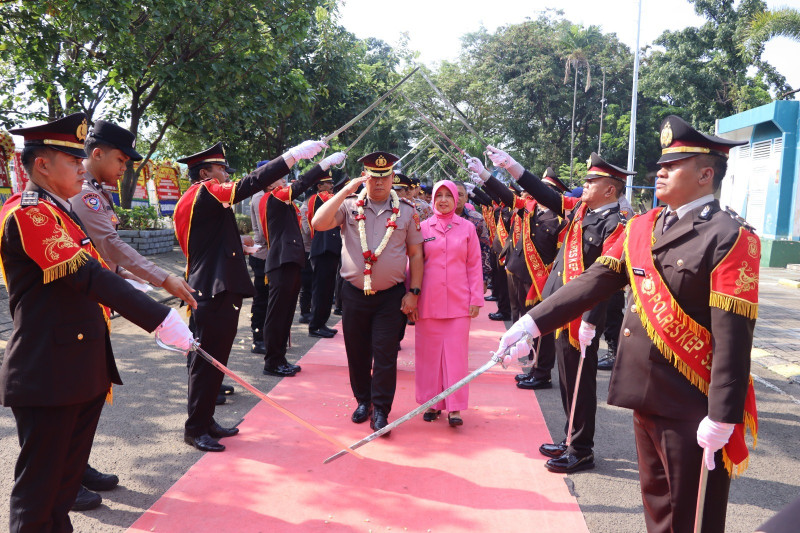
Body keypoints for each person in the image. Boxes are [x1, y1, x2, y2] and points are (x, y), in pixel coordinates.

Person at [496, 115, 756, 533]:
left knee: (692, 516)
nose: (661, 172)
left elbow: (733, 337)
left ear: (706, 174)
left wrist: (724, 415)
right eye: (661, 164)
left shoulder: (729, 236)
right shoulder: (644, 227)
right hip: (644, 392)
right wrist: (530, 324)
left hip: (692, 401)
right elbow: (594, 280)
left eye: (674, 165)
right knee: (657, 506)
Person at [1, 113, 193, 532]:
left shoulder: (62, 212)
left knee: (62, 489)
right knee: (38, 494)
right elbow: (85, 274)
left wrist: (134, 291)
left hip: (78, 368)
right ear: (42, 165)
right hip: (47, 371)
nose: (80, 167)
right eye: (72, 160)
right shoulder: (30, 213)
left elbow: (96, 271)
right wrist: (159, 316)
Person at [63, 119, 198, 509]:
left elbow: (105, 256)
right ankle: (64, 475)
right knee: (75, 393)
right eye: (121, 159)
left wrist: (133, 280)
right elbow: (110, 245)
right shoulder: (83, 196)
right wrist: (162, 279)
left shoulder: (94, 194)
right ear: (97, 153)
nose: (126, 167)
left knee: (90, 390)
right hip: (75, 307)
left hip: (94, 303)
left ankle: (76, 465)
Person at [482, 147, 632, 474]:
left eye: (591, 180)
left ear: (610, 189)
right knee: (567, 382)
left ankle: (581, 449)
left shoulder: (617, 225)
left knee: (580, 383)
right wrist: (512, 167)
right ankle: (569, 439)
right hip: (564, 312)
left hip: (583, 319)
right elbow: (542, 193)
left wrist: (591, 321)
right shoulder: (580, 208)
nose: (585, 184)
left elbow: (606, 279)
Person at [174, 138, 326, 452]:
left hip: (217, 287)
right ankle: (195, 428)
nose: (227, 175)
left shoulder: (203, 196)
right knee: (205, 364)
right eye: (220, 169)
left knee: (215, 362)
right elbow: (251, 183)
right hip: (212, 289)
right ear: (205, 173)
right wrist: (291, 157)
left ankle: (206, 420)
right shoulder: (204, 191)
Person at [311, 151, 423, 435]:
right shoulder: (350, 206)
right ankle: (363, 401)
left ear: (392, 177)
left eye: (385, 177)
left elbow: (416, 254)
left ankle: (382, 409)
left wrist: (414, 292)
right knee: (357, 354)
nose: (380, 183)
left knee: (385, 354)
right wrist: (346, 190)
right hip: (354, 294)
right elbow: (318, 223)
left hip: (390, 296)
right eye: (374, 177)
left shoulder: (407, 210)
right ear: (365, 178)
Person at [471, 165, 567, 390]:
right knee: (526, 325)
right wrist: (485, 177)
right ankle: (533, 367)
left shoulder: (560, 220)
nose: (534, 194)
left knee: (543, 330)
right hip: (521, 273)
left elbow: (560, 255)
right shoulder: (529, 209)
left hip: (541, 282)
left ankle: (543, 373)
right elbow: (505, 196)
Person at [258, 151, 346, 374]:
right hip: (282, 261)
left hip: (289, 259)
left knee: (286, 313)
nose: (284, 178)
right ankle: (272, 361)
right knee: (278, 314)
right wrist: (323, 164)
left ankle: (279, 358)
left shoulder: (278, 197)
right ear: (268, 183)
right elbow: (303, 182)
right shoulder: (275, 196)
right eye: (279, 176)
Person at [412, 180, 483, 426]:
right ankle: (431, 404)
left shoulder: (467, 228)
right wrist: (412, 298)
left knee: (456, 357)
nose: (443, 200)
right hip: (428, 303)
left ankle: (455, 408)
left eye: (448, 196)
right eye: (438, 195)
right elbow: (413, 265)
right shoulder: (421, 228)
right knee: (428, 357)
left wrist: (476, 298)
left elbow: (474, 265)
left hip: (459, 304)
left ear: (457, 200)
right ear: (432, 199)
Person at [306, 173, 342, 338]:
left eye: (331, 183)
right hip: (322, 247)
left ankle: (322, 322)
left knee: (327, 289)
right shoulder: (316, 198)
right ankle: (315, 325)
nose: (331, 186)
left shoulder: (330, 198)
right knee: (320, 290)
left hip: (331, 247)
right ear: (319, 186)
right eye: (327, 183)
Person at [248, 161, 271, 355]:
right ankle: (258, 338)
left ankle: (268, 335)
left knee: (271, 299)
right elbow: (265, 233)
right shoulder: (259, 197)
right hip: (264, 255)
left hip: (272, 254)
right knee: (262, 300)